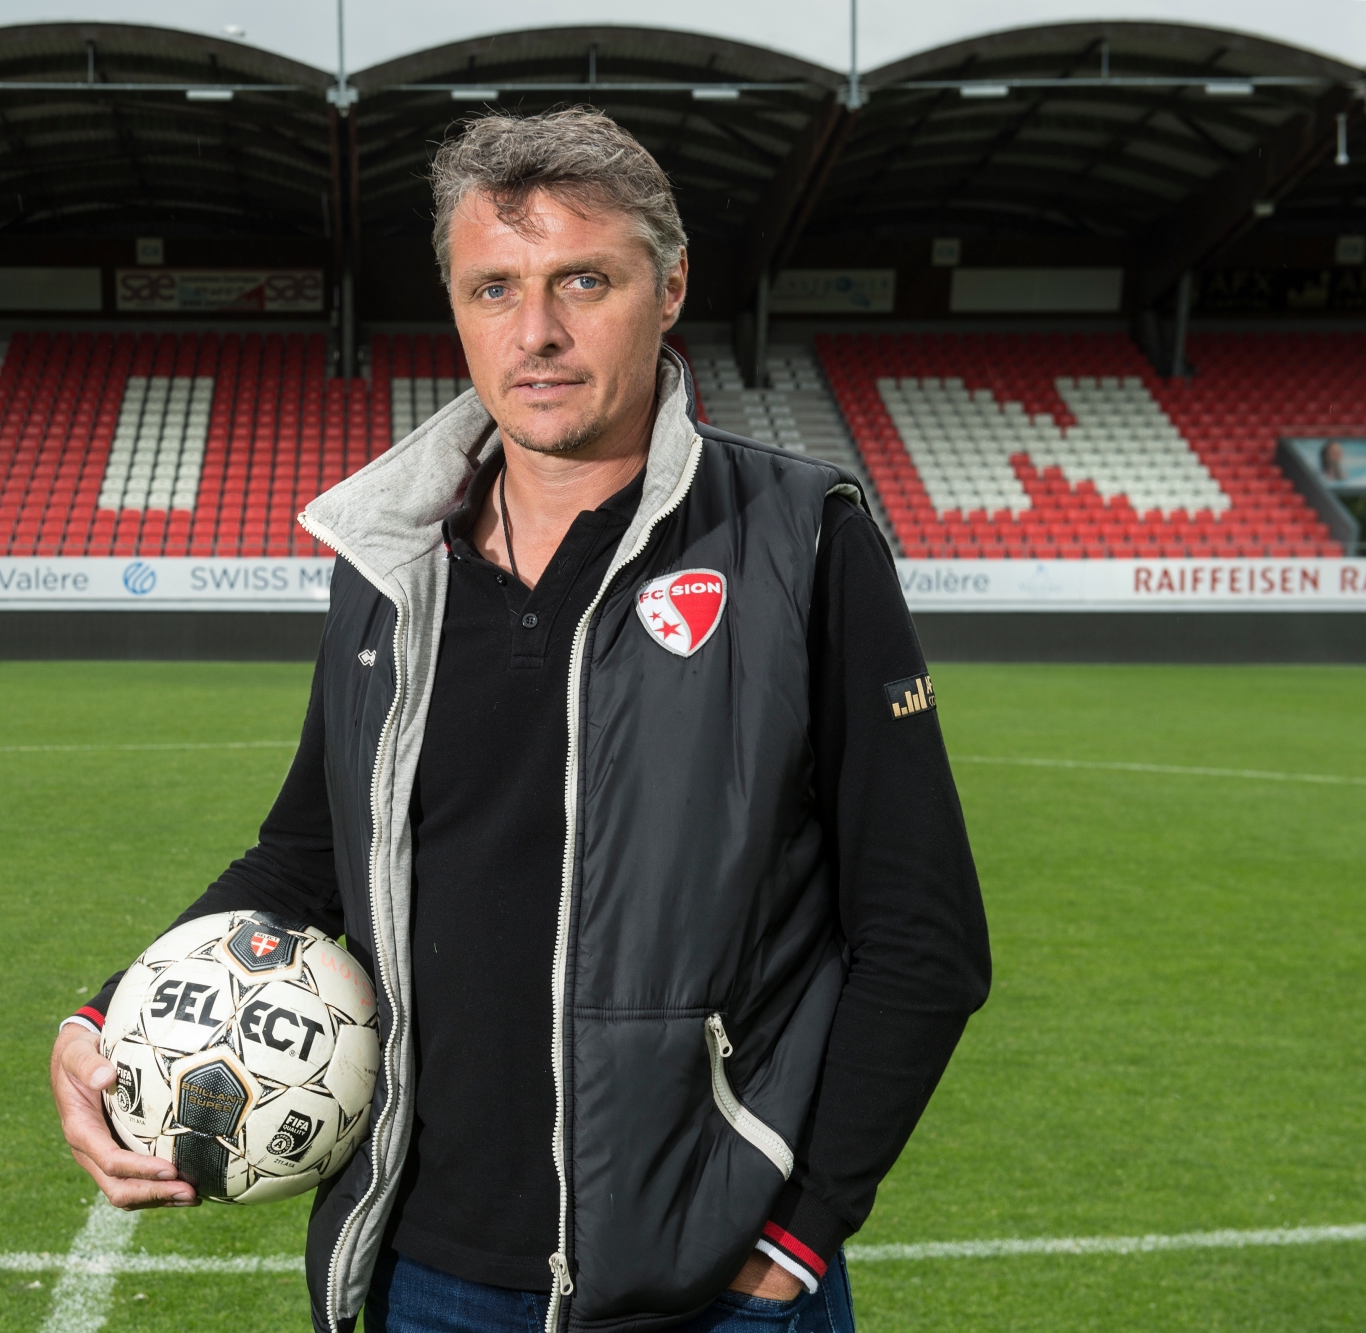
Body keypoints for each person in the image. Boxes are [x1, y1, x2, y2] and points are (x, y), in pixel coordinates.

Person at [51, 107, 990, 1333]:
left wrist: (795, 1237)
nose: (533, 332)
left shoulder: (799, 539)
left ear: (670, 288)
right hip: (416, 1267)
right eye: (492, 287)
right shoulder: (389, 563)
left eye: (581, 281)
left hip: (702, 1282)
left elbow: (923, 936)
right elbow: (308, 858)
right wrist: (107, 1013)